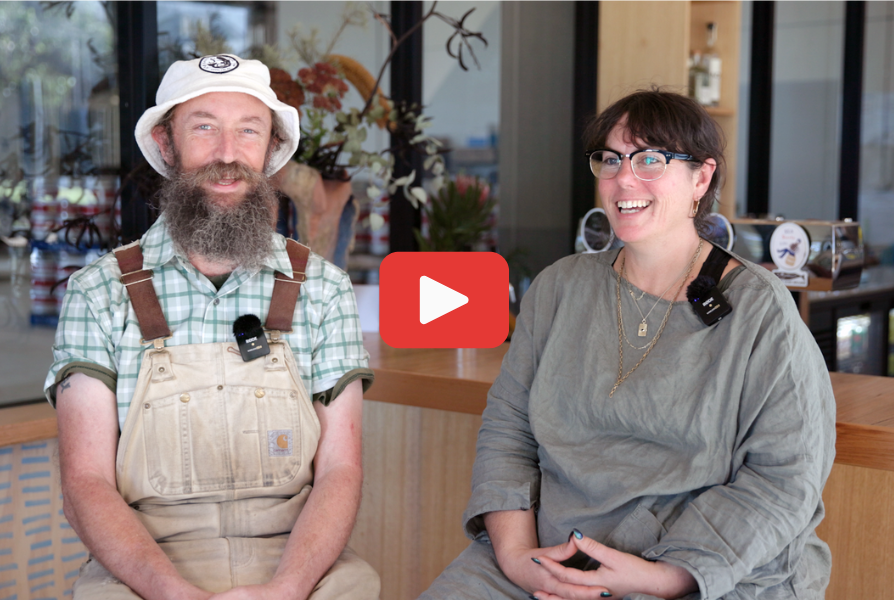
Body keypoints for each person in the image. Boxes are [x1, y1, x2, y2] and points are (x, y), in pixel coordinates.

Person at [419, 89, 835, 600]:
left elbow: (783, 480)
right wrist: (518, 557)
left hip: (695, 569)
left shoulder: (759, 309)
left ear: (701, 179)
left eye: (651, 160)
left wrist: (665, 578)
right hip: (550, 553)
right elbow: (508, 430)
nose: (624, 178)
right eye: (611, 159)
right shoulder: (559, 288)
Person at [44, 54, 380, 600]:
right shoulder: (99, 293)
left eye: (249, 130)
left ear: (271, 149)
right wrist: (171, 592)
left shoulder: (323, 288)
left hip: (295, 561)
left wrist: (289, 589)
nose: (228, 155)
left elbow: (341, 471)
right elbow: (86, 483)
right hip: (145, 568)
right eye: (204, 127)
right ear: (166, 143)